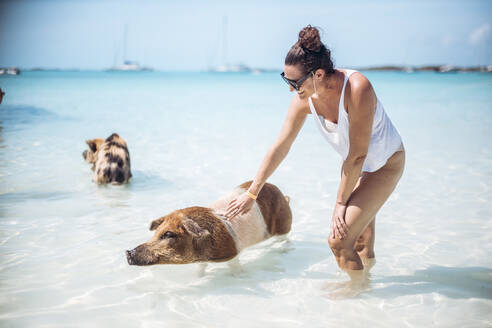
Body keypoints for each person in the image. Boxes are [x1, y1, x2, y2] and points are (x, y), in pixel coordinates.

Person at [225, 25, 405, 286]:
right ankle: (367, 292)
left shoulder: (357, 88)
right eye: (285, 80)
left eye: (295, 82)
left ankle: (353, 297)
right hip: (357, 170)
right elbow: (281, 146)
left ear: (318, 74)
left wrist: (340, 204)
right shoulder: (304, 98)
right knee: (361, 242)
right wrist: (252, 192)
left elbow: (357, 155)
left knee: (339, 241)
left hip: (384, 166)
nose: (290, 89)